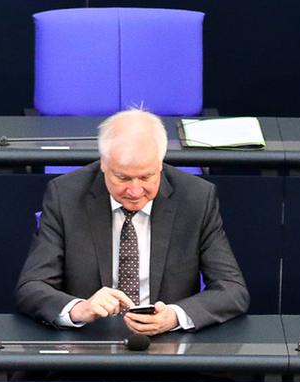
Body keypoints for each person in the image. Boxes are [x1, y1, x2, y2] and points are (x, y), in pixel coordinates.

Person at [15, 108, 249, 335]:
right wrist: (79, 309)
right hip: (89, 342)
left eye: (146, 177)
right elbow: (31, 287)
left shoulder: (196, 198)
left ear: (160, 163)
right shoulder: (66, 195)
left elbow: (232, 289)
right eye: (123, 178)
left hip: (168, 343)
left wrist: (175, 316)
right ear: (104, 164)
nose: (135, 191)